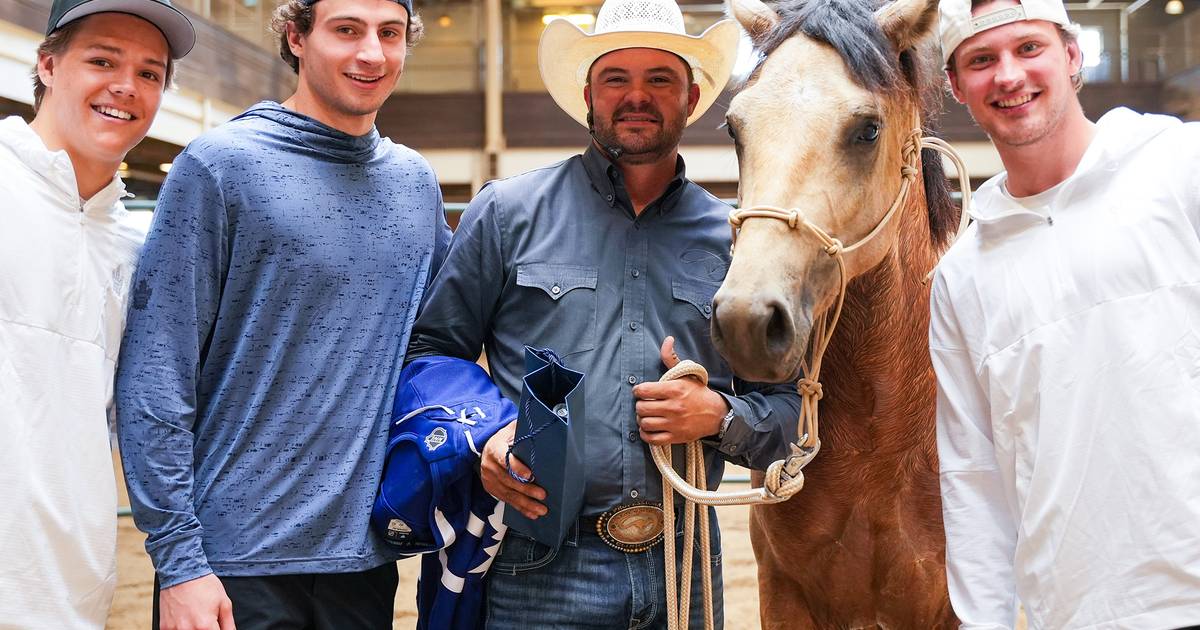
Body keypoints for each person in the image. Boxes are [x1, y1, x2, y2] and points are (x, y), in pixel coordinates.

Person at [405, 0, 801, 626]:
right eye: (616, 78)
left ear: (692, 97)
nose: (636, 96)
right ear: (588, 93)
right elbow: (432, 355)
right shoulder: (507, 214)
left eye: (660, 80)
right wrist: (482, 433)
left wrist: (719, 415)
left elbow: (790, 411)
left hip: (686, 563)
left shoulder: (736, 240)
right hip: (539, 562)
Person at [114, 0, 450, 626]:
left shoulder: (414, 182)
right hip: (230, 560)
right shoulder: (219, 166)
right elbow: (156, 374)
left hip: (364, 560)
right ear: (296, 36)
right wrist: (178, 558)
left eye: (390, 33)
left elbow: (438, 345)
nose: (371, 52)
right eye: (346, 30)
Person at [931, 0, 1200, 627]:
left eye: (1029, 48)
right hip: (1075, 609)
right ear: (956, 87)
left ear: (1072, 55)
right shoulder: (961, 277)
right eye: (981, 59)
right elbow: (972, 472)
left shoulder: (1179, 166)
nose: (1007, 75)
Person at [0, 0, 193, 627]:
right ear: (48, 65)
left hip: (72, 591)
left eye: (149, 72)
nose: (125, 86)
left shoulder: (135, 251)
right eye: (102, 60)